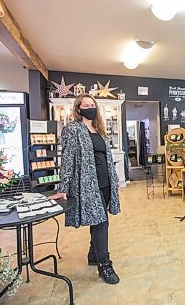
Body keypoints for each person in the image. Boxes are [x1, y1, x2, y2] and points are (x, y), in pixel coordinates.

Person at [50, 94, 121, 284]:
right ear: (79, 109)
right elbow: (67, 159)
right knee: (101, 222)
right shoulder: (73, 129)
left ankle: (93, 253)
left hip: (106, 183)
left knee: (100, 218)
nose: (91, 107)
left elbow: (107, 159)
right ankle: (104, 264)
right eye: (86, 105)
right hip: (88, 184)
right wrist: (63, 187)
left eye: (93, 105)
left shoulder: (100, 130)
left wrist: (114, 181)